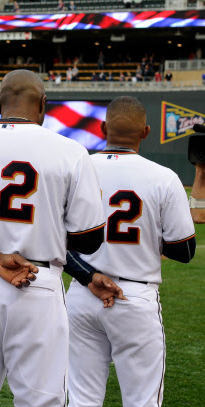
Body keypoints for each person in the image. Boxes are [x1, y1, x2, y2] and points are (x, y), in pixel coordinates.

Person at [0, 70, 123, 407]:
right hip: (38, 286)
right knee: (40, 401)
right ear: (44, 105)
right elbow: (88, 241)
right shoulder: (69, 151)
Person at [65, 96, 196, 407]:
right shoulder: (164, 177)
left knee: (81, 399)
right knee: (142, 401)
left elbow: (56, 240)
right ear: (146, 132)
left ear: (102, 128)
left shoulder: (76, 170)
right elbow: (184, 251)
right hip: (134, 296)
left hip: (82, 294)